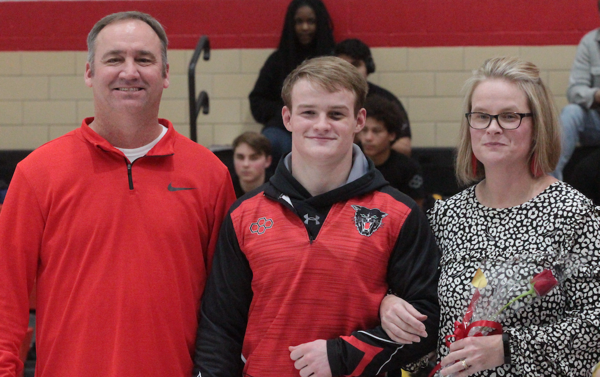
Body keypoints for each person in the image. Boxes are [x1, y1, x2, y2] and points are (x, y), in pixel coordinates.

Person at [0, 11, 235, 377]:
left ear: (166, 73)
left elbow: (225, 307)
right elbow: (5, 297)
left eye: (144, 59)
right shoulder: (37, 173)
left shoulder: (210, 175)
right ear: (89, 72)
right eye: (114, 59)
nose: (130, 72)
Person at [193, 56, 441, 377]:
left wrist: (345, 354)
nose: (321, 125)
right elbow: (220, 327)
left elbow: (428, 320)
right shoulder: (244, 214)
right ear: (287, 117)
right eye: (309, 112)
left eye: (336, 114)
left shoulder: (400, 212)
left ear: (359, 120)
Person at [380, 56, 600, 376]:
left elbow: (595, 321)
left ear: (537, 124)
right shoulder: (446, 216)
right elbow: (422, 309)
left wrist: (509, 348)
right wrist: (389, 304)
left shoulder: (575, 216)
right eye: (481, 116)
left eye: (509, 116)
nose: (493, 128)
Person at [249, 0, 335, 167]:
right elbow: (257, 101)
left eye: (310, 21)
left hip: (325, 125)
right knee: (271, 142)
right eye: (299, 22)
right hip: (284, 129)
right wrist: (289, 114)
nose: (305, 27)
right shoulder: (277, 61)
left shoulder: (334, 60)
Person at [334, 38, 412, 156]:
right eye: (343, 66)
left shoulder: (385, 99)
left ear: (368, 67)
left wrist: (365, 139)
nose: (350, 72)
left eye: (355, 65)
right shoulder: (326, 99)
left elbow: (404, 147)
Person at [552, 0, 600, 180]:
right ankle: (550, 188)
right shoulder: (589, 43)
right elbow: (574, 90)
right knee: (571, 112)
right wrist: (596, 95)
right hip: (597, 122)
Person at [358, 94, 425, 206]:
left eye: (376, 131)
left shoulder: (407, 168)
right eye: (364, 130)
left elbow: (416, 212)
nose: (368, 138)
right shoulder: (349, 164)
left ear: (392, 135)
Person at [231, 131, 272, 198]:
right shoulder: (225, 189)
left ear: (267, 161)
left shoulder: (278, 191)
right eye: (240, 157)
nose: (246, 164)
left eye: (254, 158)